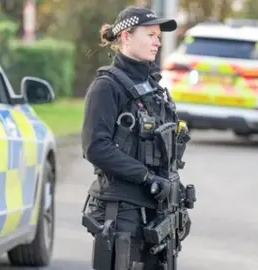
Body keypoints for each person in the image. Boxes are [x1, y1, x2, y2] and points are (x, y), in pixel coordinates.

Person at [81, 6, 192, 270]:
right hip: (123, 212)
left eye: (158, 35)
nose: (158, 40)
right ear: (126, 37)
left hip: (158, 211)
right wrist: (145, 177)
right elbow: (96, 147)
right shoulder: (107, 86)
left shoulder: (154, 87)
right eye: (150, 34)